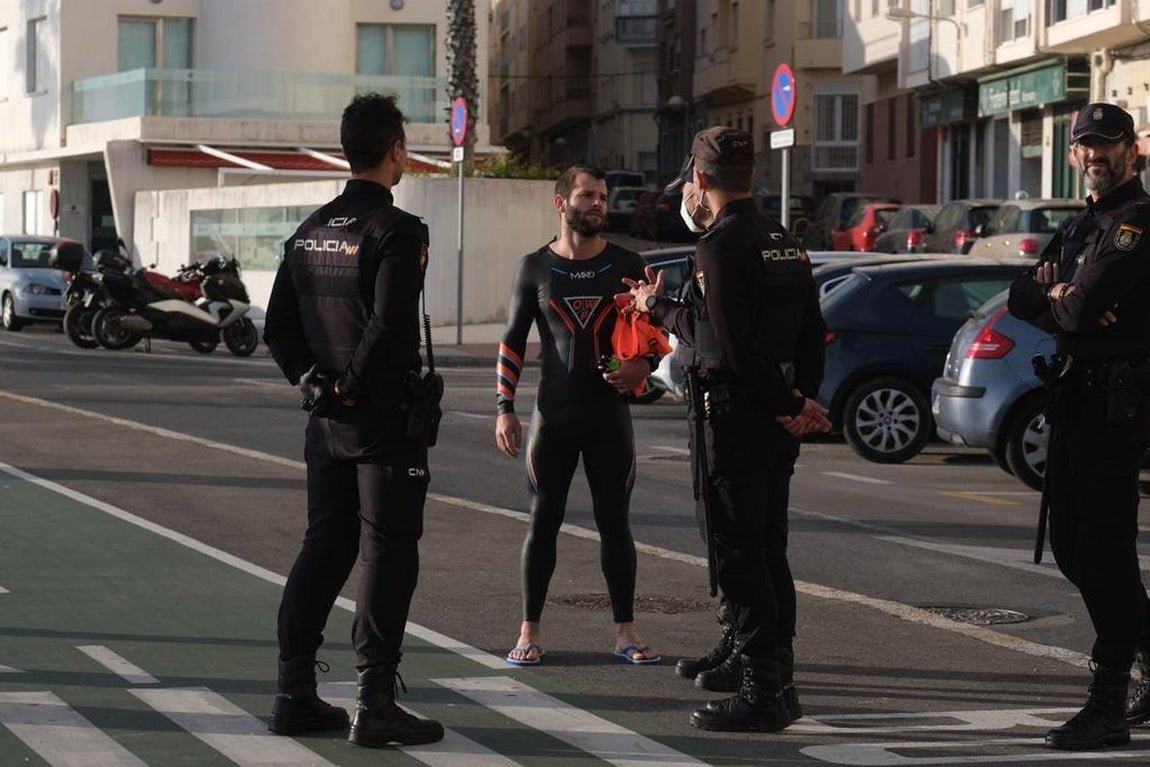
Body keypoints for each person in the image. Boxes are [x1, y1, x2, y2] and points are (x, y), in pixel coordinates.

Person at [619, 127, 831, 732]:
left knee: (738, 553)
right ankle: (769, 671)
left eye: (691, 179)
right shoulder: (783, 240)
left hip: (735, 418)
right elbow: (812, 332)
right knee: (768, 548)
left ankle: (766, 690)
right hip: (772, 418)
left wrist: (652, 306)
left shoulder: (719, 247)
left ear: (702, 180)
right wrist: (798, 401)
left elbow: (728, 343)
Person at [262, 92, 444, 748]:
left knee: (324, 546)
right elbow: (391, 325)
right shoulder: (396, 230)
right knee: (387, 552)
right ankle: (375, 702)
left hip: (326, 425)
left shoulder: (309, 229)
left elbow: (276, 325)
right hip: (383, 422)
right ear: (396, 150)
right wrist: (350, 385)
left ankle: (294, 693)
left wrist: (314, 383)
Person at [1007, 102, 1150, 752]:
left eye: (1108, 144)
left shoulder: (1136, 223)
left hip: (1116, 412)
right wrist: (1060, 298)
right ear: (1073, 153)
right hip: (1071, 404)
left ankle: (1109, 700)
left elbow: (1086, 304)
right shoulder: (1083, 223)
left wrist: (1068, 297)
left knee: (1105, 551)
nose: (1096, 154)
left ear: (1131, 151)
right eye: (1087, 145)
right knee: (1069, 545)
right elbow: (1021, 295)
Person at [495, 165, 663, 667]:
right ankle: (528, 632)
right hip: (554, 416)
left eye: (604, 197)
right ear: (561, 203)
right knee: (542, 521)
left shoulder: (628, 263)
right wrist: (504, 408)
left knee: (616, 523)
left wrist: (642, 366)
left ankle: (626, 633)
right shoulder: (534, 268)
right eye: (588, 195)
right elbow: (511, 343)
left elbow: (656, 340)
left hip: (609, 417)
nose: (598, 204)